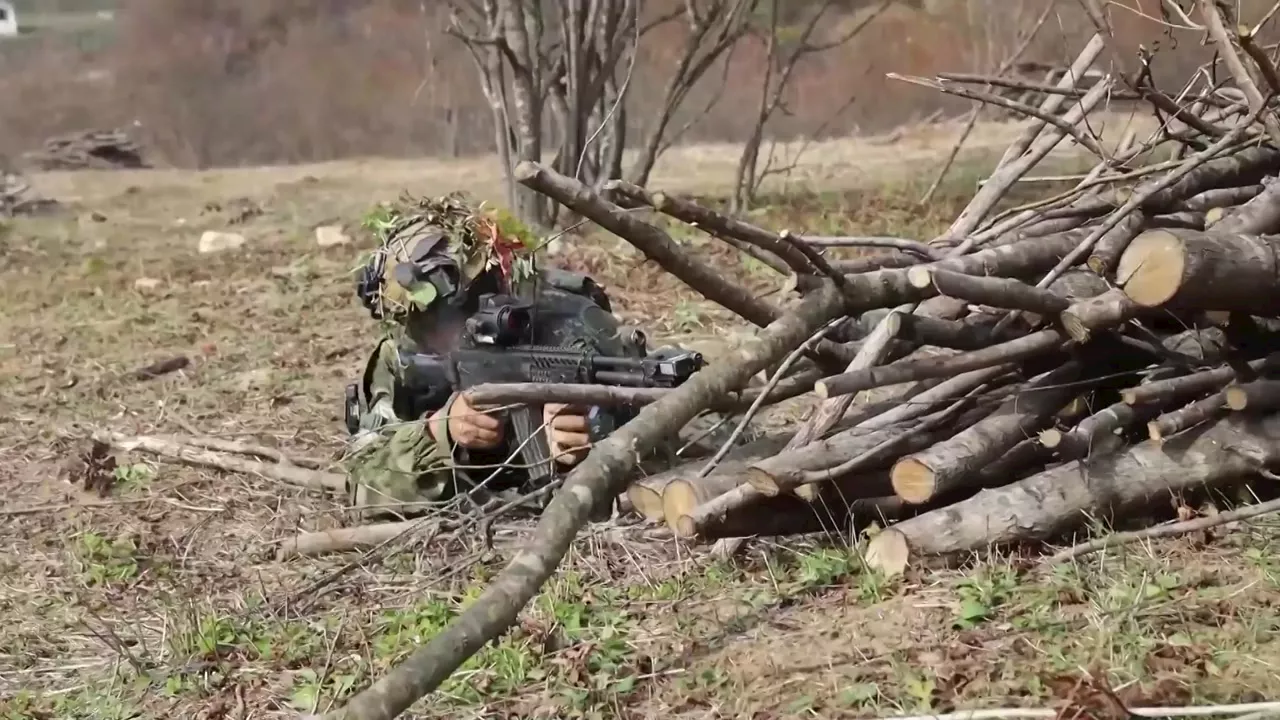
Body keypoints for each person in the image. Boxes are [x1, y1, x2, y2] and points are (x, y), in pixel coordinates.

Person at [341, 193, 642, 520]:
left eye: (470, 304)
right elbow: (362, 486)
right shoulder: (404, 359)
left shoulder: (572, 325)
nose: (455, 331)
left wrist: (593, 442)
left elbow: (671, 420)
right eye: (429, 323)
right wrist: (439, 432)